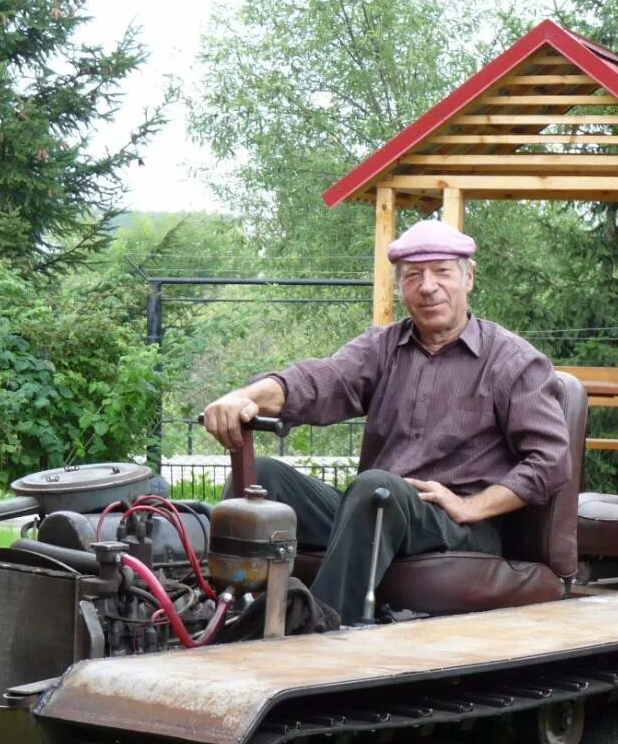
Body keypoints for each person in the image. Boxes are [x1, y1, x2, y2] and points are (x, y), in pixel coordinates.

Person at [202, 219, 571, 621]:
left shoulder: (513, 361)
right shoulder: (382, 348)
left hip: (456, 525)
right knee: (267, 478)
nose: (427, 286)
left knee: (377, 488)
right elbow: (320, 380)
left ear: (468, 279)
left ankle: (321, 633)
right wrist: (244, 396)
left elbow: (550, 460)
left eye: (442, 272)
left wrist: (473, 506)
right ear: (401, 287)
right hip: (373, 510)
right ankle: (227, 614)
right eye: (413, 276)